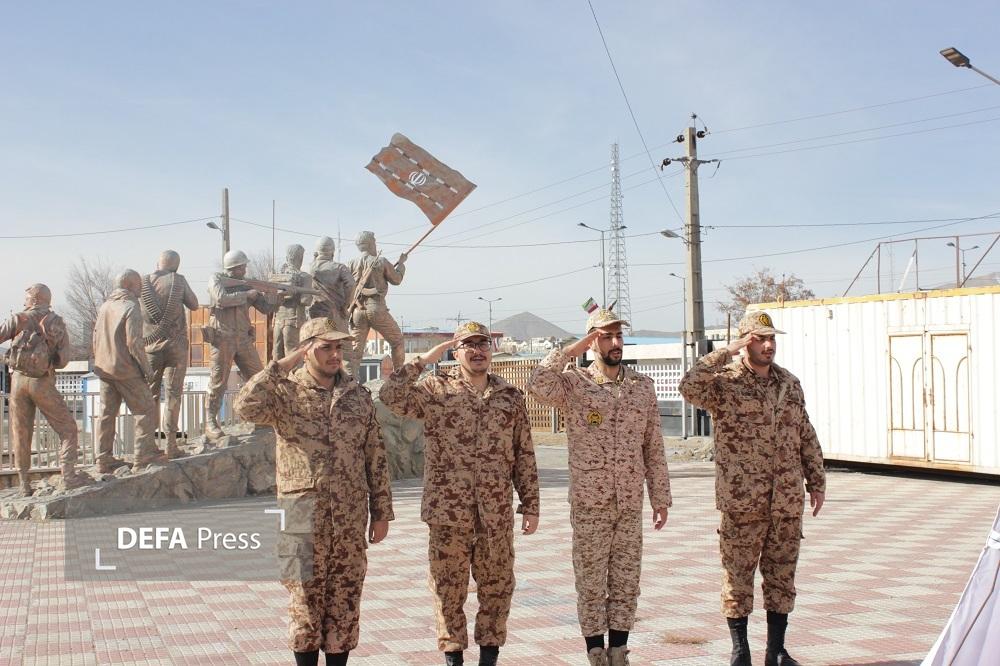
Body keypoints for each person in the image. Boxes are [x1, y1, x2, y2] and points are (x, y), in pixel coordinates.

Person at [234, 317, 394, 666]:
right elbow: (244, 406)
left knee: (345, 606)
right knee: (305, 606)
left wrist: (382, 512)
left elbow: (375, 456)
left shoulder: (357, 397)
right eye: (325, 348)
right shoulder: (285, 394)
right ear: (307, 351)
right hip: (302, 520)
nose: (335, 354)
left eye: (338, 347)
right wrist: (283, 364)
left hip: (349, 521)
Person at [379, 321, 539, 666]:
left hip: (495, 515)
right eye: (469, 345)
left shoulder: (510, 397)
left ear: (490, 350)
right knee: (447, 589)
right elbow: (390, 396)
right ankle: (453, 657)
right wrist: (423, 360)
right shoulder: (436, 389)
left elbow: (523, 453)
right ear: (456, 351)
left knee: (497, 588)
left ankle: (489, 658)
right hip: (447, 515)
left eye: (483, 344)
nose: (477, 351)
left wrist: (531, 505)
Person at [678, 310, 826, 666]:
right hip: (742, 502)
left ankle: (776, 651)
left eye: (771, 338)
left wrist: (816, 480)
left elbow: (804, 433)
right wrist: (725, 351)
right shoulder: (724, 383)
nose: (768, 345)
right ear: (746, 342)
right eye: (760, 339)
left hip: (785, 501)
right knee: (737, 578)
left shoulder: (789, 384)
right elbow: (688, 386)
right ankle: (740, 650)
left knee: (782, 578)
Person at [527, 308, 671, 666]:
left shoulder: (641, 387)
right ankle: (595, 652)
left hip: (629, 503)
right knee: (591, 583)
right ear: (593, 342)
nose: (615, 343)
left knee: (626, 581)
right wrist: (569, 351)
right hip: (590, 504)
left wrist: (660, 496)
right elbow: (537, 384)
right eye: (606, 337)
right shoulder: (575, 383)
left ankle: (619, 652)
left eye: (619, 336)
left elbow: (653, 445)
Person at [0, 283, 86, 495]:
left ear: (35, 300)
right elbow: (63, 360)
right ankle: (69, 475)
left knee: (21, 432)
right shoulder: (57, 322)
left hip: (18, 381)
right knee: (68, 429)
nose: (24, 302)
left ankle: (24, 484)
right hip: (42, 382)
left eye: (27, 298)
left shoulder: (19, 318)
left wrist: (7, 358)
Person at [203, 249, 279, 440]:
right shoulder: (217, 280)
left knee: (258, 377)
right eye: (242, 266)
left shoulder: (247, 284)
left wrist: (277, 296)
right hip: (223, 338)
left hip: (243, 339)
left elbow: (266, 308)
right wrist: (247, 295)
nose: (245, 269)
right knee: (218, 381)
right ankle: (210, 422)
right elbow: (221, 298)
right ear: (233, 268)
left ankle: (259, 418)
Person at [93, 270, 164, 473]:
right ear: (130, 285)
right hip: (125, 369)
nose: (141, 288)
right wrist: (147, 369)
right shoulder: (131, 306)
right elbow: (134, 343)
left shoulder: (105, 306)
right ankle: (143, 456)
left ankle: (103, 459)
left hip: (104, 368)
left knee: (107, 414)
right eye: (139, 284)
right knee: (146, 409)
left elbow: (95, 338)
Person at [141, 249, 200, 458]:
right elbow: (194, 304)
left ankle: (147, 445)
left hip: (149, 348)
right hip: (176, 347)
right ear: (176, 266)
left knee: (150, 396)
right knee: (174, 395)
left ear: (157, 264)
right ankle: (171, 445)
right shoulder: (178, 281)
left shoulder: (142, 283)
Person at [347, 231, 406, 373]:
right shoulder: (381, 261)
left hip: (357, 311)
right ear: (370, 244)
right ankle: (400, 378)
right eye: (374, 241)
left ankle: (349, 381)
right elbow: (396, 279)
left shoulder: (351, 263)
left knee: (355, 351)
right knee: (397, 341)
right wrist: (401, 264)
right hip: (376, 308)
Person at [273, 244, 314, 360]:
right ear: (300, 257)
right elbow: (305, 301)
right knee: (293, 356)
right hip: (294, 320)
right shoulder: (305, 277)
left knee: (277, 355)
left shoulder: (278, 276)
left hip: (277, 321)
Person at [307, 237, 354, 335]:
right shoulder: (339, 268)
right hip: (333, 315)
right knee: (338, 340)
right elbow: (351, 284)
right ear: (333, 251)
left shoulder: (310, 267)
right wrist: (345, 306)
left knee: (319, 340)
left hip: (315, 314)